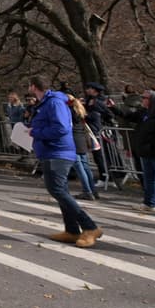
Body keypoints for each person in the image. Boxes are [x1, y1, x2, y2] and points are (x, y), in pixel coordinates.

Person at [26, 77, 101, 248]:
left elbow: (61, 128)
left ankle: (90, 227)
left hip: (57, 152)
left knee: (57, 190)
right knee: (61, 191)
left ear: (34, 87)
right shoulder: (47, 102)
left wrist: (36, 132)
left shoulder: (53, 103)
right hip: (52, 151)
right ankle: (72, 230)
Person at [67, 96, 99, 200]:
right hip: (82, 140)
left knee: (79, 168)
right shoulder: (80, 111)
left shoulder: (69, 112)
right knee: (86, 167)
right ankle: (93, 190)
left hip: (74, 140)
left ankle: (87, 191)